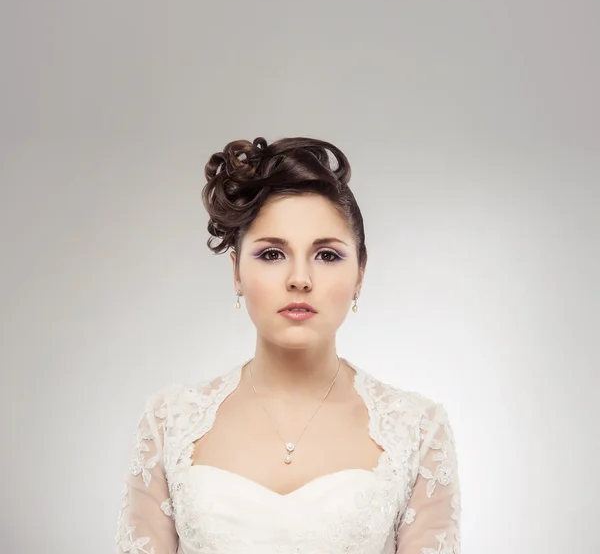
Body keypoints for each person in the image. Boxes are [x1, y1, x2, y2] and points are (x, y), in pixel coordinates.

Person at [114, 136, 461, 554]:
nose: (300, 278)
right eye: (272, 254)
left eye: (327, 255)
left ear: (360, 274)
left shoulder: (419, 430)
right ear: (237, 272)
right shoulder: (168, 423)